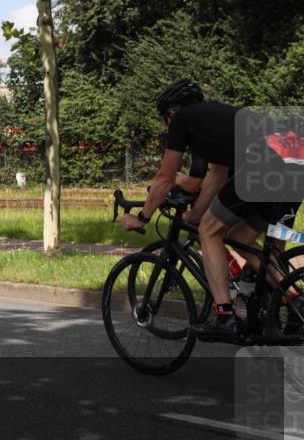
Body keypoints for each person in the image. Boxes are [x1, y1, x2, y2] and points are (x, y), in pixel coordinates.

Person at [119, 80, 301, 337]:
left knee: (210, 232)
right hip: (296, 163)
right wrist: (195, 215)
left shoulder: (181, 120)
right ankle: (295, 299)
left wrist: (142, 217)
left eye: (165, 120)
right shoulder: (217, 116)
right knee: (239, 237)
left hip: (266, 165)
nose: (167, 126)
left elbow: (164, 178)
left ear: (171, 113)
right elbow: (216, 176)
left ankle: (225, 318)